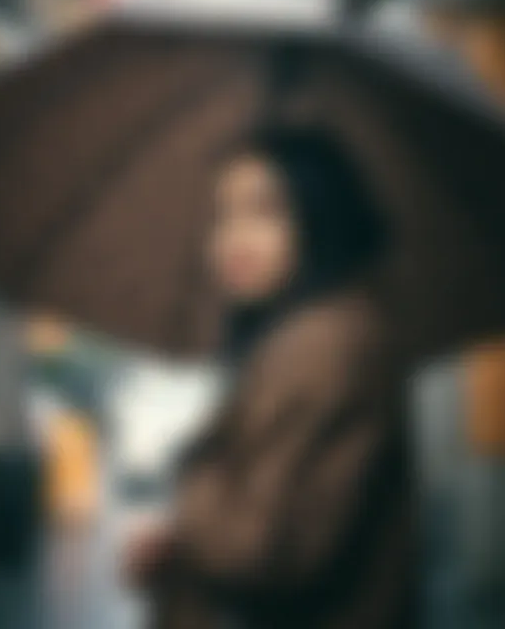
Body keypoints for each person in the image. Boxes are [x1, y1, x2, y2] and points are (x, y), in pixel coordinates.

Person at [123, 124, 412, 628]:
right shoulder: (300, 338)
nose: (235, 238)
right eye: (223, 215)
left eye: (265, 211)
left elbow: (262, 549)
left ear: (317, 215)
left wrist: (192, 484)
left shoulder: (327, 344)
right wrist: (181, 548)